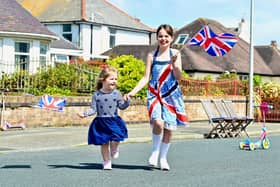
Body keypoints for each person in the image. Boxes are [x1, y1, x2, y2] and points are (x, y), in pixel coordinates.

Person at [124, 24, 188, 171]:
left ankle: (163, 158)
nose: (163, 39)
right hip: (155, 93)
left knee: (169, 128)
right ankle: (155, 152)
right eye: (160, 36)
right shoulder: (151, 55)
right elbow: (146, 77)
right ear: (157, 38)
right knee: (158, 123)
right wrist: (133, 91)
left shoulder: (176, 53)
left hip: (171, 94)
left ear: (171, 38)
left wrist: (174, 63)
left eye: (166, 36)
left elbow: (178, 77)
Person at [78, 66, 130, 170]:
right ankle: (106, 161)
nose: (114, 81)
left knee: (118, 136)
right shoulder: (96, 95)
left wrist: (127, 102)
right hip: (101, 121)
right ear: (103, 79)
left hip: (114, 120)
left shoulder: (117, 93)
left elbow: (121, 106)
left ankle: (114, 148)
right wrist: (85, 114)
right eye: (111, 79)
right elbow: (93, 109)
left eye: (116, 79)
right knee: (104, 143)